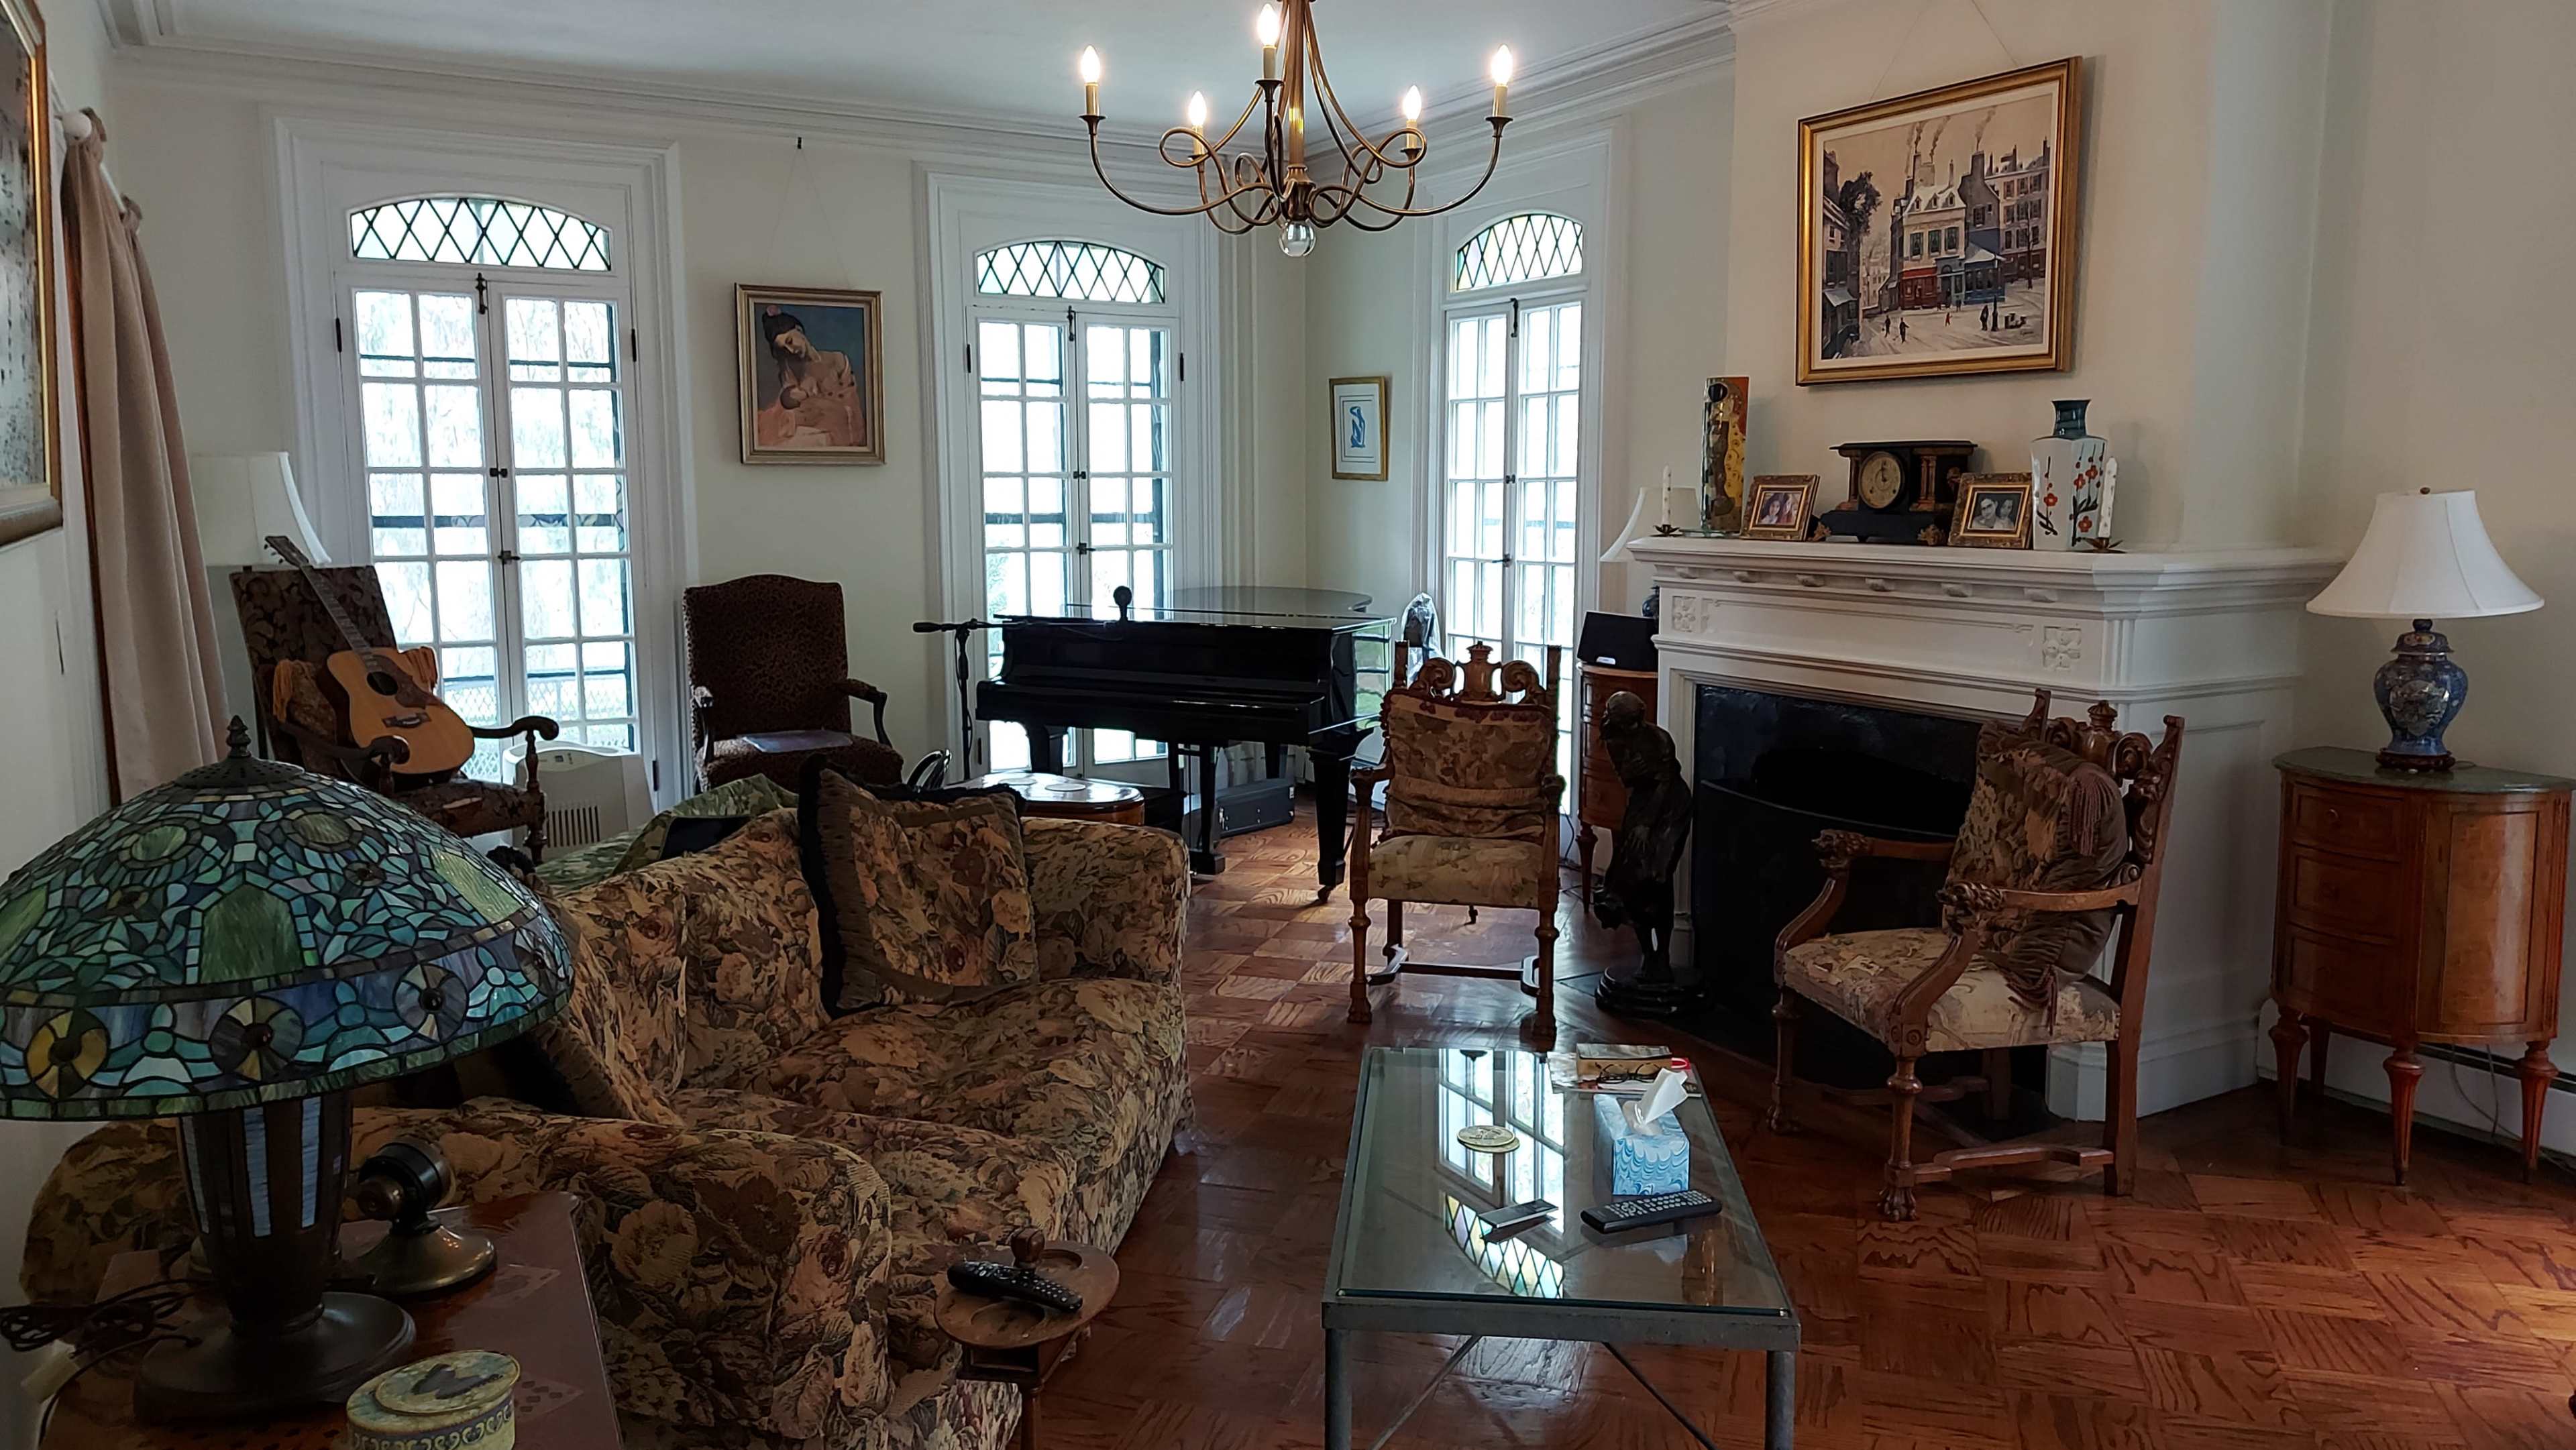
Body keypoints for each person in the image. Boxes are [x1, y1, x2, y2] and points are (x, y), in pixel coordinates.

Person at [755, 304, 867, 450]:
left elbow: (851, 403)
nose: (791, 350)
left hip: (842, 425)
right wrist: (795, 396)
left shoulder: (837, 359)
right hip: (811, 426)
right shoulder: (791, 369)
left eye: (790, 341)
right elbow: (789, 402)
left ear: (799, 330)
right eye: (784, 348)